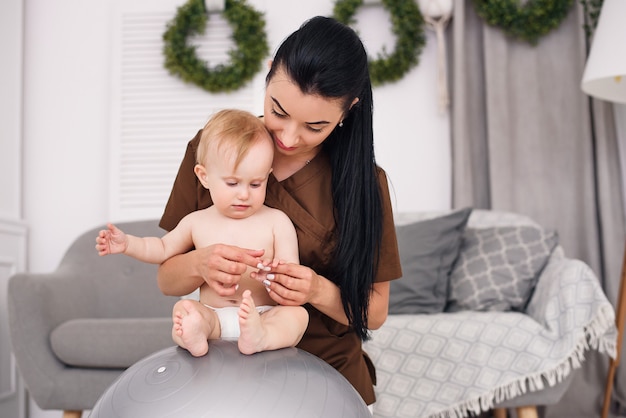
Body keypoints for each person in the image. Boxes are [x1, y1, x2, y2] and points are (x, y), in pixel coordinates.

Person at [157, 16, 402, 410]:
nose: (288, 138)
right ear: (269, 73)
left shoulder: (365, 183)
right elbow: (167, 280)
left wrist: (315, 290)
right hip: (224, 374)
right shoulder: (213, 148)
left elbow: (374, 312)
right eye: (278, 111)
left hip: (328, 377)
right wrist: (200, 264)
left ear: (348, 111)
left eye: (314, 126)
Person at [96, 109, 308, 357]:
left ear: (267, 177)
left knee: (297, 315)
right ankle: (196, 334)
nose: (244, 194)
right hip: (213, 316)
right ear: (204, 177)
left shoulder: (277, 221)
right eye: (232, 183)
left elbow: (292, 276)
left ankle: (262, 337)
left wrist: (273, 275)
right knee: (186, 310)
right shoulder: (196, 222)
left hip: (263, 315)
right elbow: (162, 248)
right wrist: (128, 243)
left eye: (255, 184)